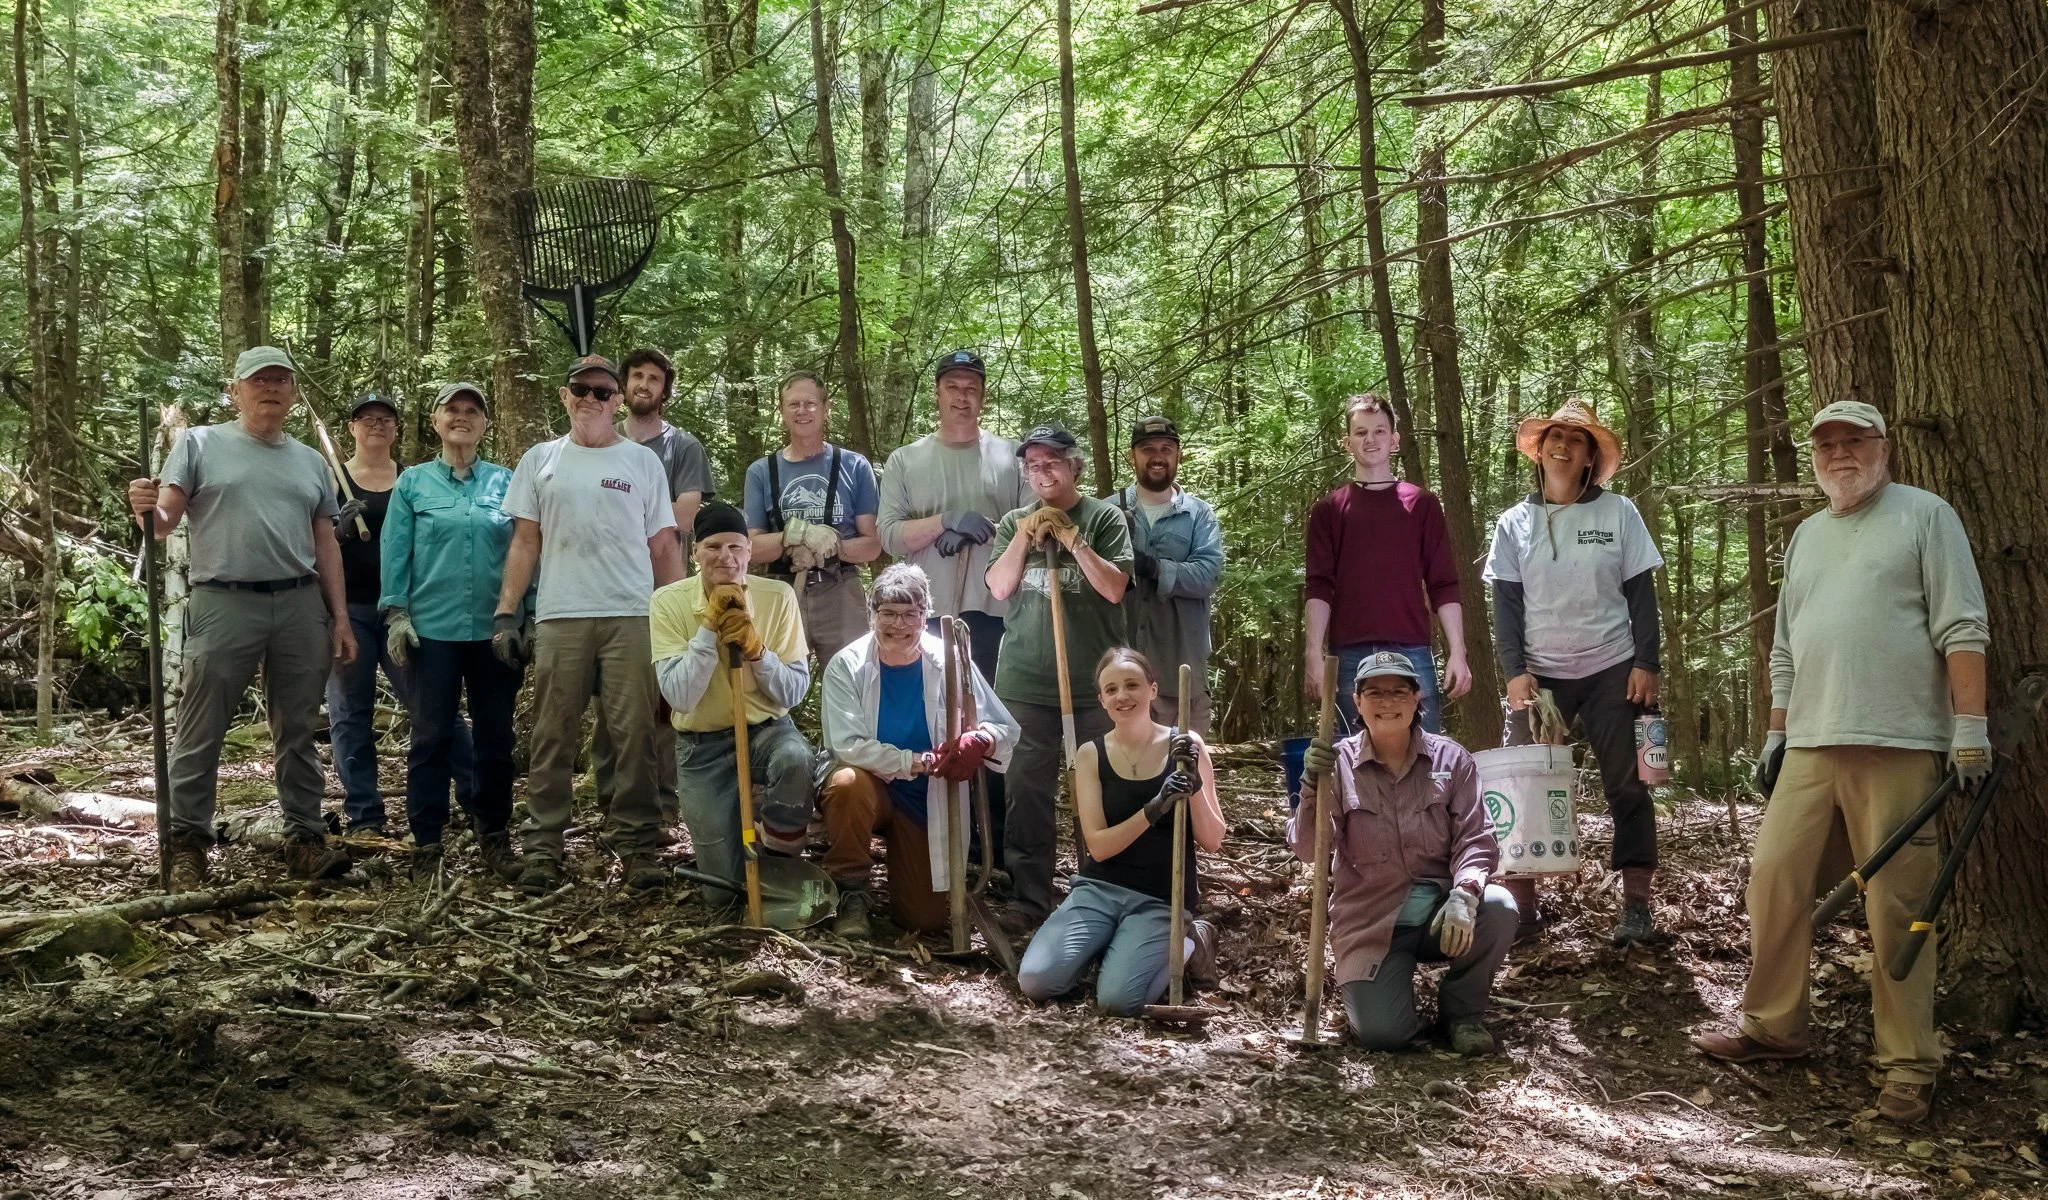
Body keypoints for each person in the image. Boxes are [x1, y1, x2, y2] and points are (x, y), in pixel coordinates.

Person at [1691, 399, 1989, 1127]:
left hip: (1900, 742)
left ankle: (1909, 1064)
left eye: (1854, 440)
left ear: (1884, 447)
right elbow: (1789, 646)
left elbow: (1962, 622)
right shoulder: (1807, 538)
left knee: (1898, 907)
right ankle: (1775, 1027)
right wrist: (1774, 730)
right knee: (1774, 877)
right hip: (1811, 744)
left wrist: (1971, 726)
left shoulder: (1926, 515)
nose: (1840, 453)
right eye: (1826, 444)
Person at [125, 345, 356, 890]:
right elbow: (161, 525)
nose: (270, 388)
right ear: (235, 390)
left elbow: (325, 540)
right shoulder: (199, 442)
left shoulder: (310, 461)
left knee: (297, 727)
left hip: (300, 602)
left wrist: (340, 616)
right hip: (223, 599)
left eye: (281, 380)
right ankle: (187, 843)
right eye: (258, 380)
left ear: (294, 393)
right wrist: (142, 505)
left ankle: (304, 838)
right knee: (202, 726)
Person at [1482, 398, 1664, 946]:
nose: (1562, 447)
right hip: (1542, 679)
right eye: (1554, 438)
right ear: (1540, 451)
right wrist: (1514, 672)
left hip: (1613, 667)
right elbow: (1506, 604)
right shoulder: (1514, 523)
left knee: (1629, 786)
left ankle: (1636, 905)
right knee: (1522, 785)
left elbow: (1641, 594)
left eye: (1576, 440)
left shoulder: (1619, 513)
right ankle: (1524, 908)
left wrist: (1646, 663)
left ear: (1590, 458)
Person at [498, 354, 683, 893]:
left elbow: (663, 546)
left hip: (631, 615)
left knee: (636, 735)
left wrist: (673, 621)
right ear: (565, 395)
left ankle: (637, 843)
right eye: (580, 389)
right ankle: (542, 846)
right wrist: (507, 613)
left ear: (617, 401)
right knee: (552, 733)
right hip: (560, 614)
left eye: (602, 392)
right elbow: (525, 541)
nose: (590, 399)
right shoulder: (540, 460)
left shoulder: (642, 463)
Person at [1291, 652, 1516, 1054]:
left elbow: (1476, 838)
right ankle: (1393, 1003)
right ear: (1356, 702)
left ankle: (1462, 1013)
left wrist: (1465, 894)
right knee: (1385, 1037)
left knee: (1498, 906)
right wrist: (1312, 785)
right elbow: (1309, 850)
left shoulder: (1452, 759)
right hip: (1371, 922)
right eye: (1374, 692)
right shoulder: (1336, 765)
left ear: (1417, 699)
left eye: (1399, 691)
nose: (1387, 701)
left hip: (1441, 913)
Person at [876, 348, 1026, 866]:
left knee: (987, 727)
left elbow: (1032, 527)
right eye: (953, 387)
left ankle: (993, 851)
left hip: (991, 615)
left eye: (972, 388)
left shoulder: (1010, 458)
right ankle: (935, 846)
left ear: (982, 395)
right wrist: (945, 522)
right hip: (923, 617)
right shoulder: (906, 460)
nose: (962, 397)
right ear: (937, 393)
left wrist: (988, 531)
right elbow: (890, 534)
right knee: (934, 727)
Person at [818, 563, 1020, 939]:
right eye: (888, 613)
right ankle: (852, 893)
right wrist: (917, 761)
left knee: (923, 920)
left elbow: (1002, 726)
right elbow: (846, 745)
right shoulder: (848, 665)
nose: (899, 624)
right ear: (871, 614)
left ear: (926, 615)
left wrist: (980, 741)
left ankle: (904, 879)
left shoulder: (948, 660)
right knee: (846, 784)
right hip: (872, 788)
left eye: (911, 613)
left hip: (925, 799)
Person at [1018, 648, 1223, 1015]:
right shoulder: (1091, 754)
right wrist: (1155, 807)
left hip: (1162, 899)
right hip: (1099, 891)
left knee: (1117, 1001)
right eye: (1111, 689)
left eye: (1132, 684)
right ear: (1101, 700)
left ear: (1153, 689)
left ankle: (1191, 941)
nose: (1122, 695)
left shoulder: (1187, 746)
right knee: (1036, 981)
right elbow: (1098, 848)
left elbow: (1213, 839)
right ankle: (1112, 944)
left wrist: (1192, 786)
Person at [985, 424, 1134, 929]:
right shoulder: (1012, 522)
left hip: (1097, 686)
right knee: (1027, 791)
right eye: (1032, 465)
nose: (1042, 472)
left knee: (1100, 789)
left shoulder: (1105, 518)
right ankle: (1030, 898)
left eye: (1052, 462)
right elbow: (1000, 587)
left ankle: (1099, 892)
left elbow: (1115, 588)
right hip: (1025, 683)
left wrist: (1072, 540)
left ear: (1074, 466)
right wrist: (1027, 536)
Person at [379, 383, 526, 882]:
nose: (462, 417)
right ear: (437, 422)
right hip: (432, 631)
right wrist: (395, 612)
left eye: (472, 411)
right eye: (452, 410)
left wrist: (524, 615)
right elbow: (395, 551)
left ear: (485, 424)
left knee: (494, 737)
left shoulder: (508, 483)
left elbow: (526, 552)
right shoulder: (413, 483)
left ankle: (494, 835)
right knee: (431, 735)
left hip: (494, 632)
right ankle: (426, 841)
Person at [650, 503, 815, 907]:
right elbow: (681, 697)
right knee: (721, 893)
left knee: (796, 759)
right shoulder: (667, 602)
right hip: (701, 746)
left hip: (766, 733)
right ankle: (734, 846)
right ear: (695, 552)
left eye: (737, 547)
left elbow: (793, 692)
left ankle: (777, 855)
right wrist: (709, 627)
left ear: (749, 551)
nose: (726, 557)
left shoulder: (778, 598)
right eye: (713, 546)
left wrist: (758, 651)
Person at [326, 392, 474, 841]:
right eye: (366, 418)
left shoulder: (413, 481)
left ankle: (475, 795)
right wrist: (339, 533)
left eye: (385, 419)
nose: (376, 425)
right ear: (352, 428)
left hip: (406, 612)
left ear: (397, 429)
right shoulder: (330, 479)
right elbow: (307, 540)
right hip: (347, 610)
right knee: (351, 713)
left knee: (435, 708)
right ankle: (365, 815)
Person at [598, 347, 722, 830]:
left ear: (664, 389)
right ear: (622, 386)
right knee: (611, 698)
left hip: (666, 587)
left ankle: (666, 804)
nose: (644, 385)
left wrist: (626, 521)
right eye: (636, 377)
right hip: (609, 591)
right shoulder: (599, 442)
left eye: (654, 378)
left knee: (666, 699)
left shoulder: (682, 447)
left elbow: (684, 516)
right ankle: (610, 802)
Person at [1304, 394, 1470, 734]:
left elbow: (1443, 584)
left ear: (1394, 440)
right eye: (1361, 432)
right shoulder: (1330, 511)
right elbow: (1319, 586)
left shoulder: (1421, 504)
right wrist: (1313, 655)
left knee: (1426, 755)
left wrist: (1458, 652)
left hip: (1412, 650)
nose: (1370, 440)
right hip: (1348, 652)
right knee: (1352, 761)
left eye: (1380, 431)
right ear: (1347, 441)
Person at [744, 370, 883, 668]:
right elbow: (751, 547)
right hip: (781, 591)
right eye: (793, 404)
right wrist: (797, 535)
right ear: (781, 411)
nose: (802, 411)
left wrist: (834, 547)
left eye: (810, 403)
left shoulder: (855, 466)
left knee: (852, 681)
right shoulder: (760, 471)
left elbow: (872, 545)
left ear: (825, 409)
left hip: (840, 591)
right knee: (775, 686)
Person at [1112, 416, 1224, 734]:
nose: (1157, 456)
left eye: (1166, 448)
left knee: (1183, 774)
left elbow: (1208, 575)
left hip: (1181, 671)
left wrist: (1155, 568)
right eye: (1147, 449)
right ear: (1131, 456)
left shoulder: (1199, 514)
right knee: (1125, 771)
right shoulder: (1108, 511)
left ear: (1178, 455)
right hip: (1120, 674)